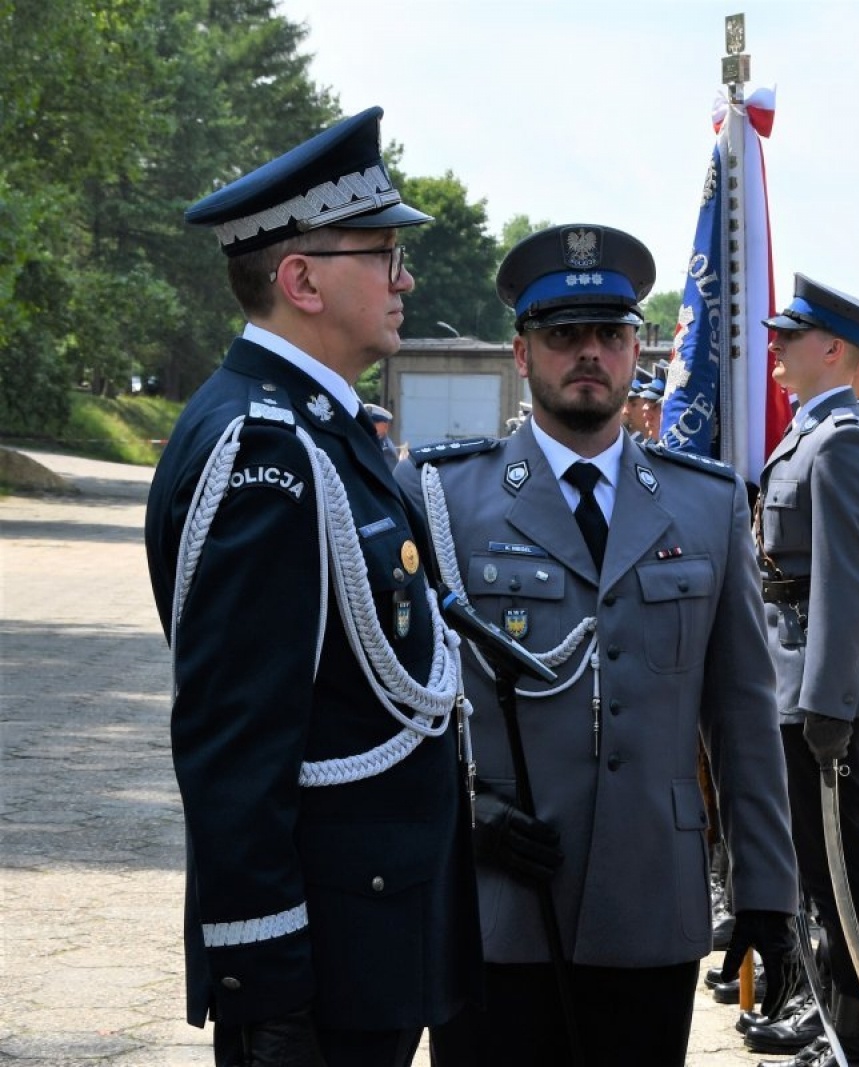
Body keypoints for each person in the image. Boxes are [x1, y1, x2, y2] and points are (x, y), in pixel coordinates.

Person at [397, 224, 800, 1066]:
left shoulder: (704, 504)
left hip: (649, 902)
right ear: (522, 352)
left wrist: (766, 886)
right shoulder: (442, 496)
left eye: (610, 335)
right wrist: (460, 814)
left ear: (636, 347)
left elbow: (743, 715)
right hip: (496, 899)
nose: (589, 354)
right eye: (563, 335)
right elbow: (398, 701)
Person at [144, 106, 481, 1067]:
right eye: (382, 253)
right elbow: (233, 741)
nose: (405, 277)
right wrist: (266, 981)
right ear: (301, 279)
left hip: (373, 935)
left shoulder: (322, 430)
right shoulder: (265, 448)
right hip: (318, 961)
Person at [756, 275, 859, 1067]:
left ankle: (853, 1029)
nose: (775, 347)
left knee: (842, 861)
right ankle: (823, 1011)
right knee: (815, 866)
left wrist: (827, 702)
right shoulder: (812, 432)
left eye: (790, 336)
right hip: (793, 673)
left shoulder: (843, 437)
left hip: (824, 683)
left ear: (834, 349)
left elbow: (848, 586)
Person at [363, 402, 401, 470]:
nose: (369, 426)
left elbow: (388, 477)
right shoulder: (371, 442)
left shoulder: (386, 450)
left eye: (374, 423)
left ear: (385, 427)